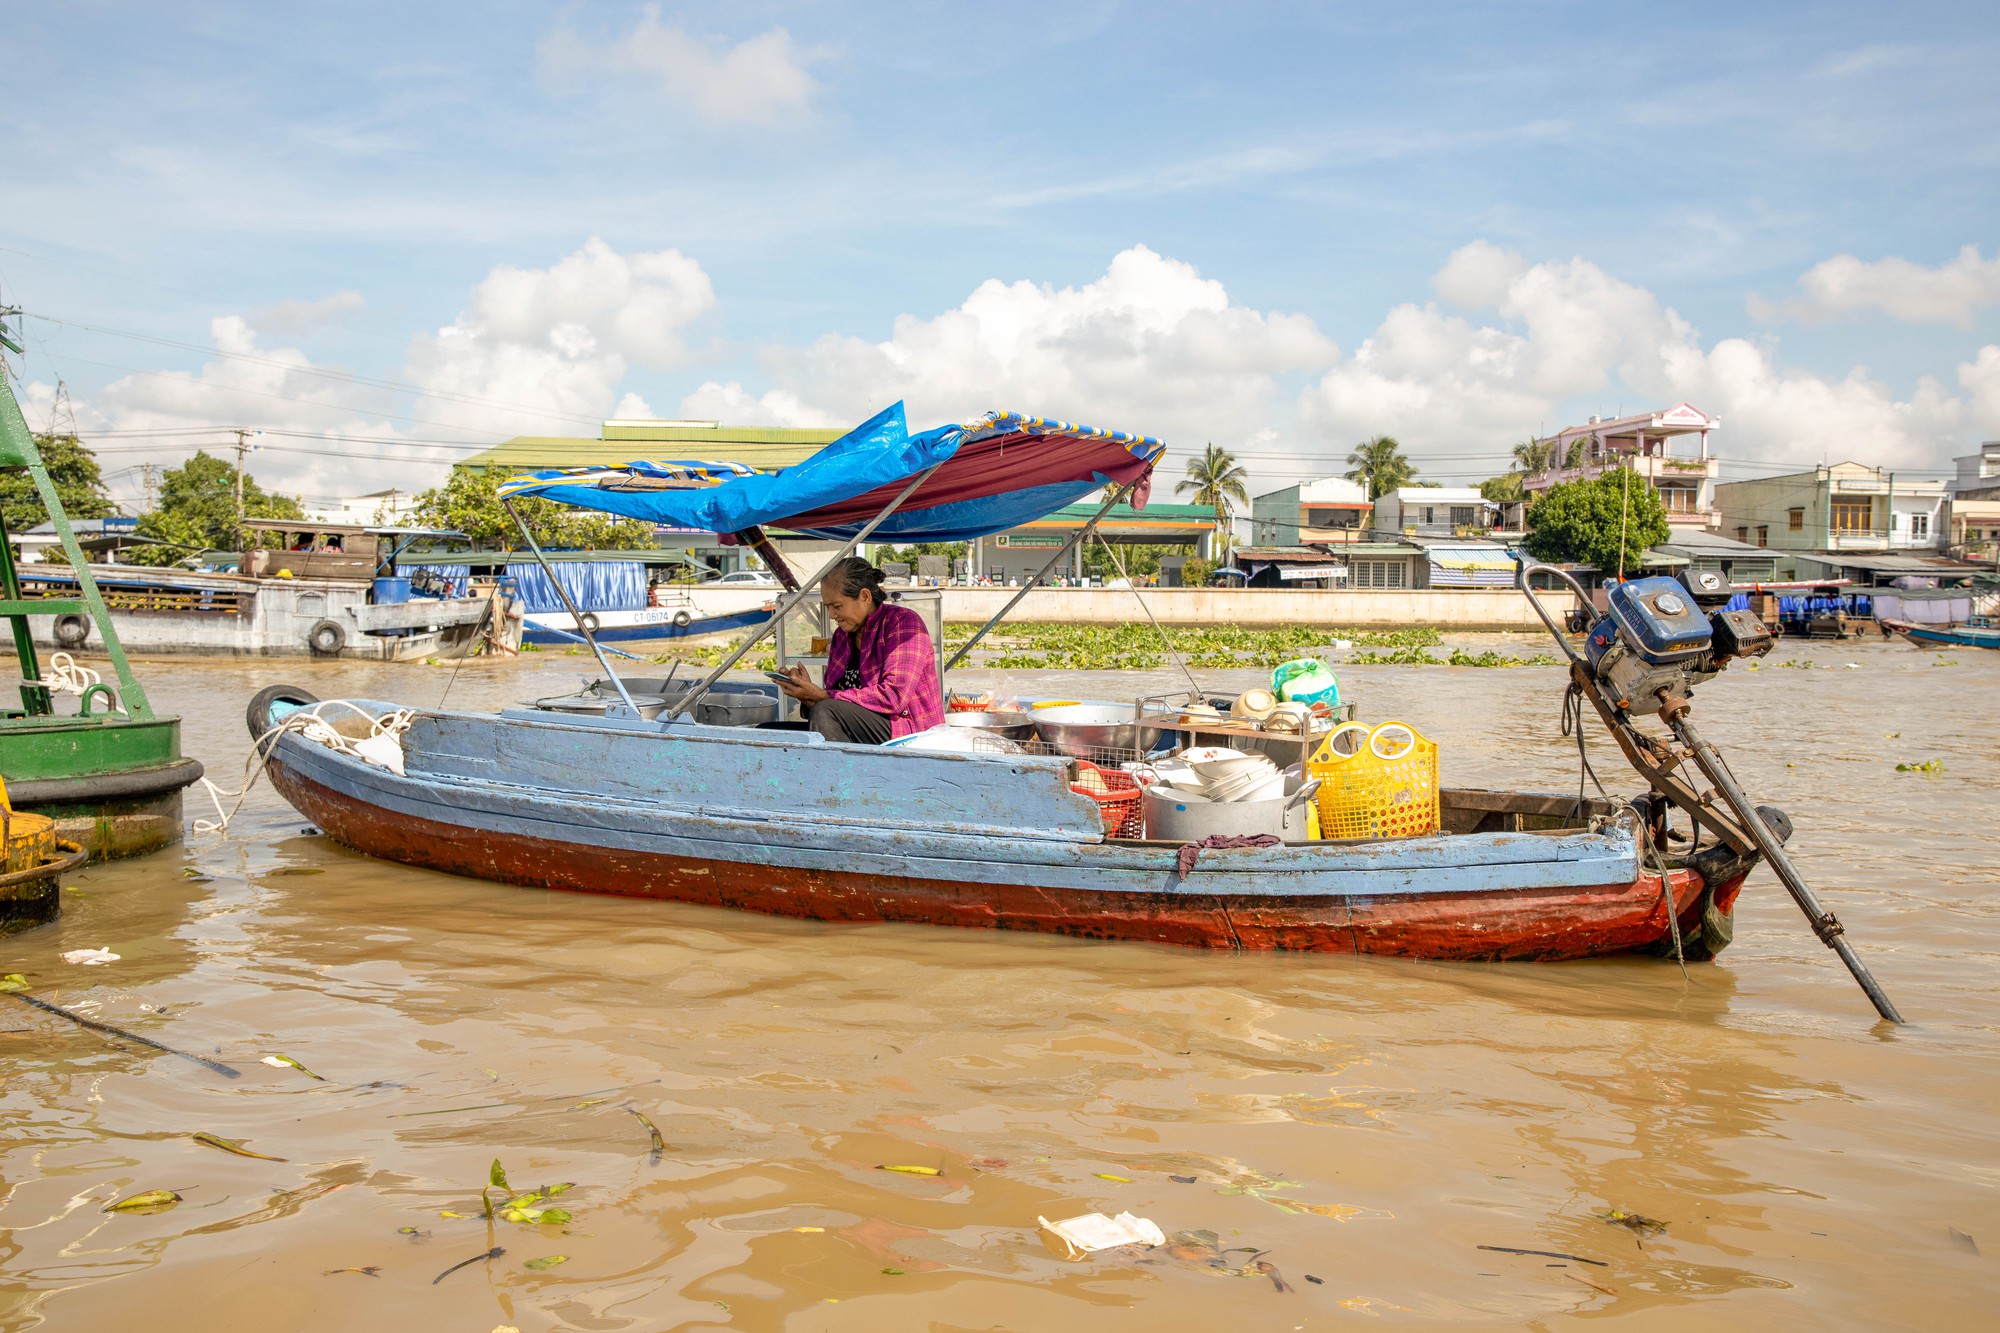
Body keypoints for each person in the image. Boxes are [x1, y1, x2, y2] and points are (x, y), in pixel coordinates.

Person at [775, 557, 944, 744]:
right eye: (828, 607)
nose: (831, 615)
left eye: (837, 606)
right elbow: (838, 702)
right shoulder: (841, 637)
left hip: (907, 731)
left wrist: (822, 696)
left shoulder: (903, 622)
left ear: (864, 597)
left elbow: (894, 697)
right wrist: (806, 694)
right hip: (860, 728)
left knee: (824, 711)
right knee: (771, 733)